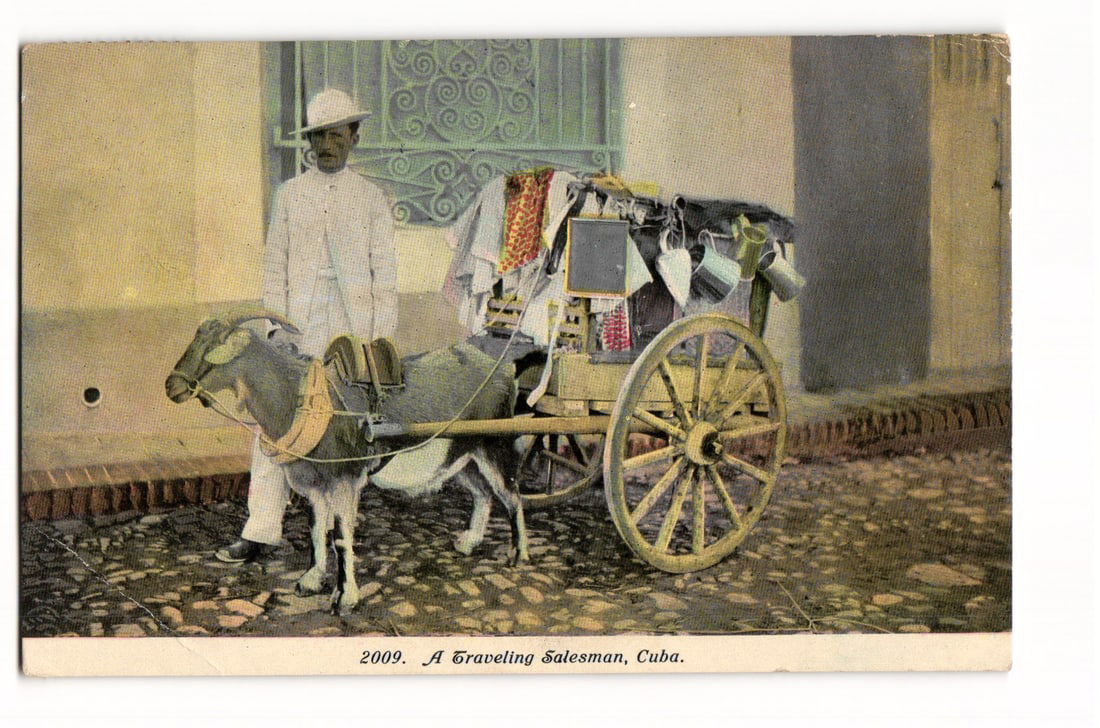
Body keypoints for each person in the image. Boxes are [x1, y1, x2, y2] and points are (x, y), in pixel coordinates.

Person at [217, 89, 398, 562]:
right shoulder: (291, 195)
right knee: (273, 420)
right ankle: (260, 528)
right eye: (318, 136)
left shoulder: (371, 199)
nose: (326, 145)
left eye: (336, 135)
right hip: (299, 324)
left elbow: (385, 277)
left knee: (345, 423)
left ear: (354, 137)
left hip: (350, 328)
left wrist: (378, 338)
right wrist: (277, 328)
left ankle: (342, 527)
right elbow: (274, 267)